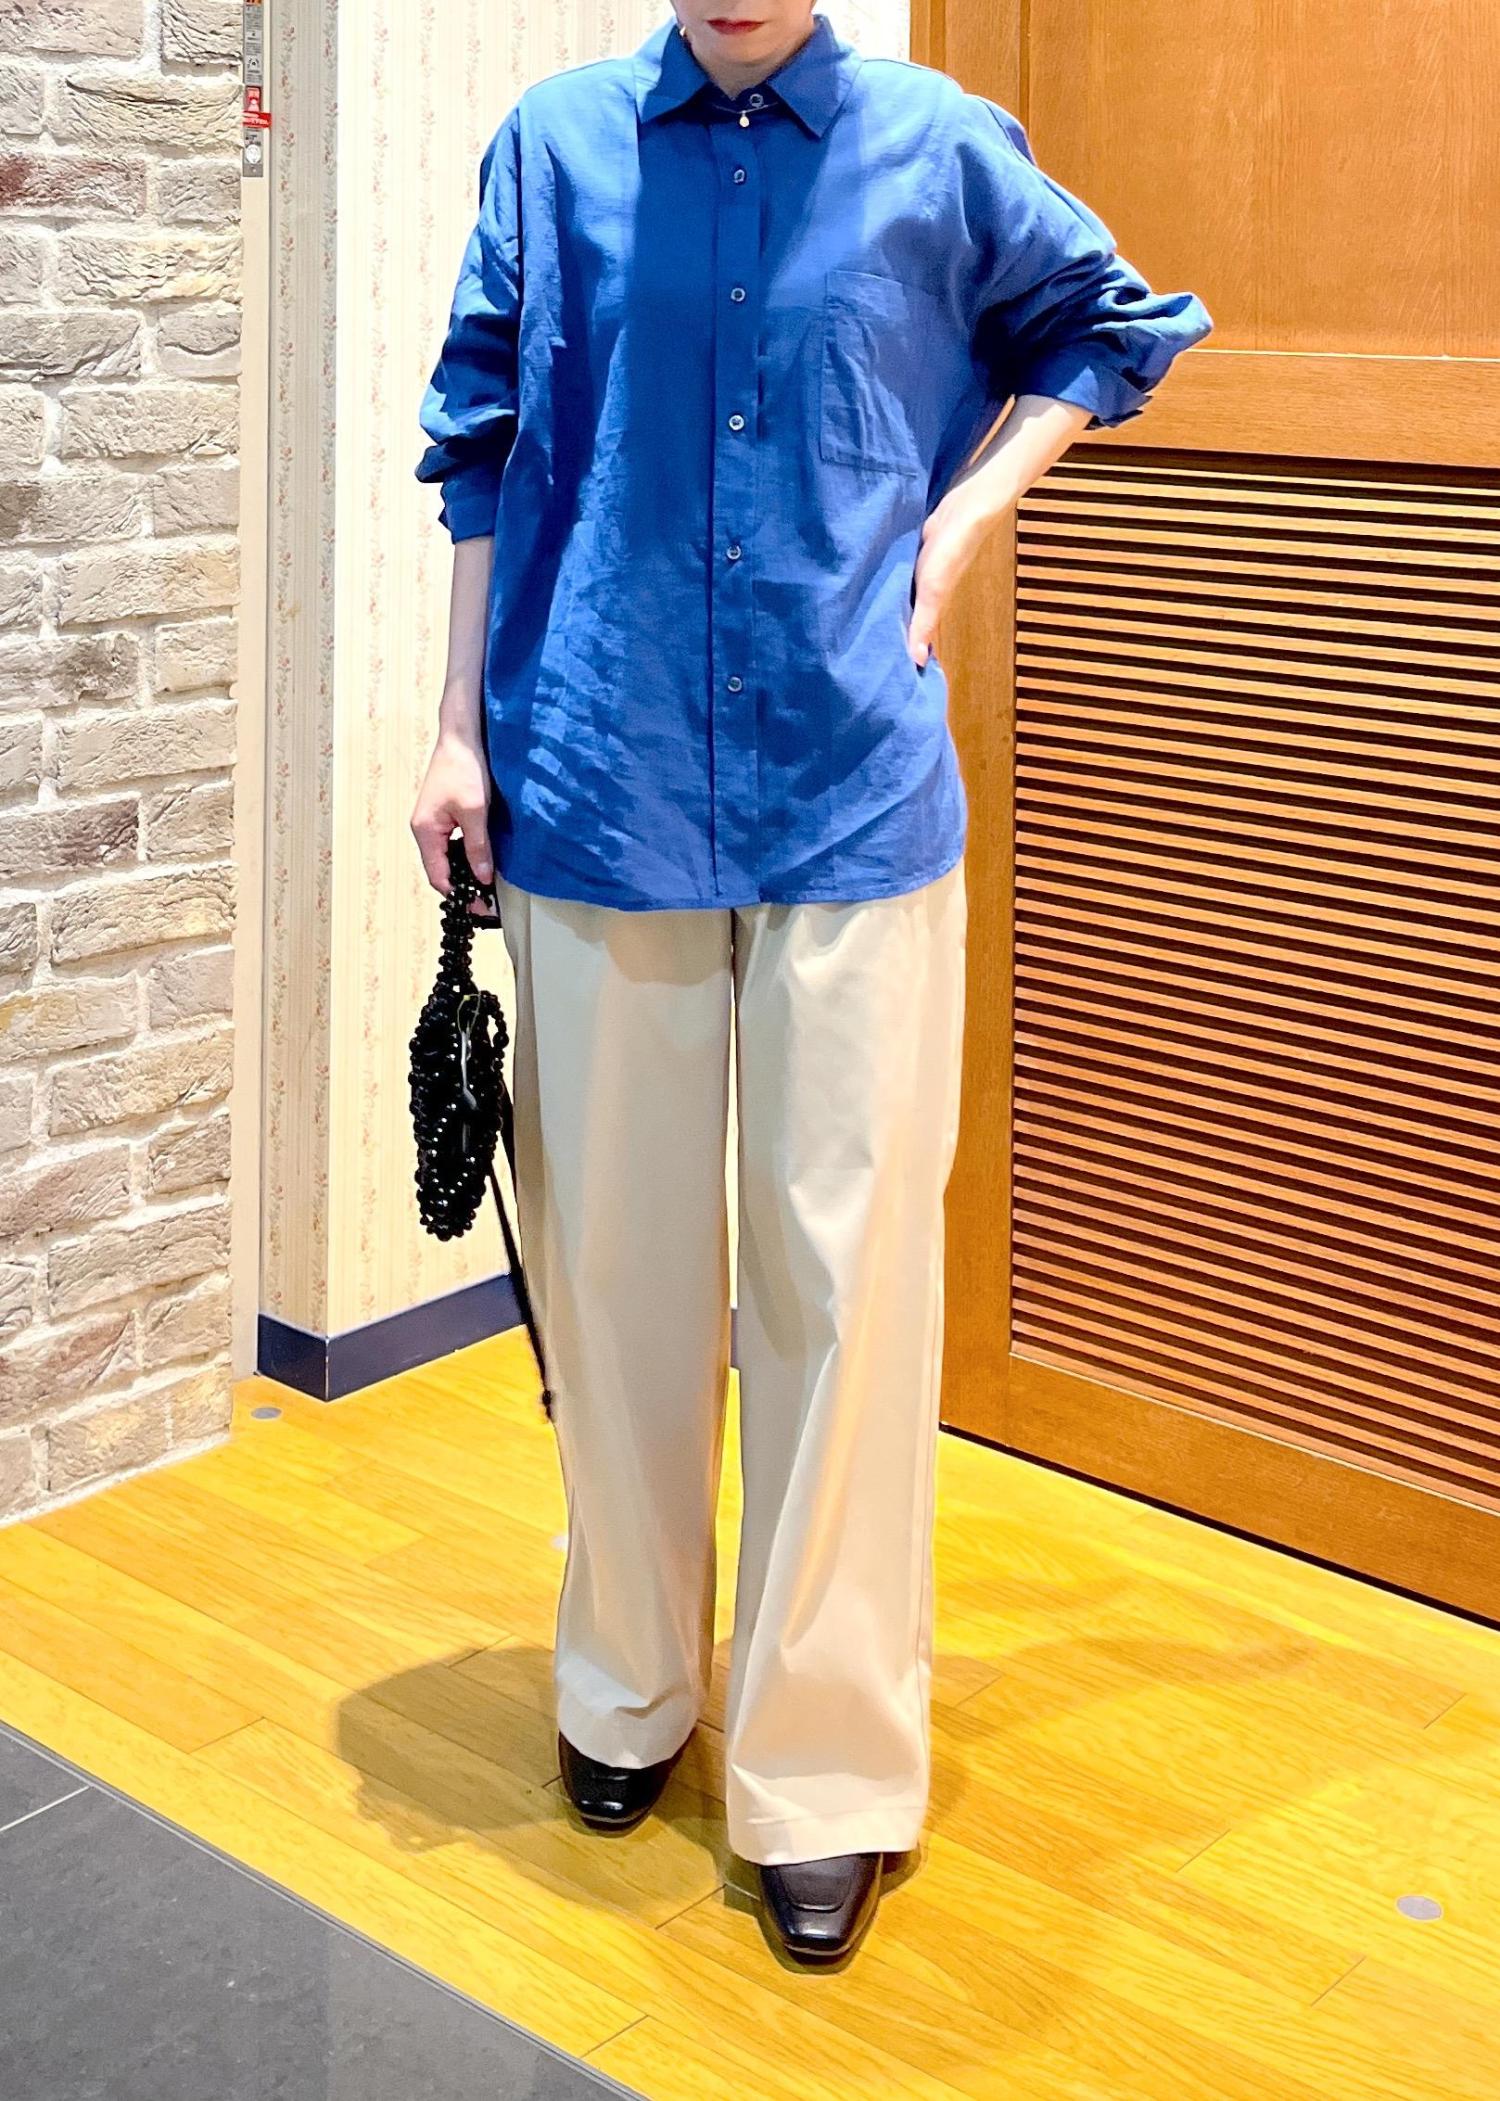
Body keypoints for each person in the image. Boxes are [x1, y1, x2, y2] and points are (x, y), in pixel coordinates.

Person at [410, 1, 1212, 1966]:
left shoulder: (941, 144)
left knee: (844, 1288)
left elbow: (1108, 326)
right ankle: (628, 1682)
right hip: (597, 767)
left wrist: (967, 512)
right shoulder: (557, 145)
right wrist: (455, 728)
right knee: (617, 1274)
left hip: (852, 790)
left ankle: (827, 1767)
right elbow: (482, 437)